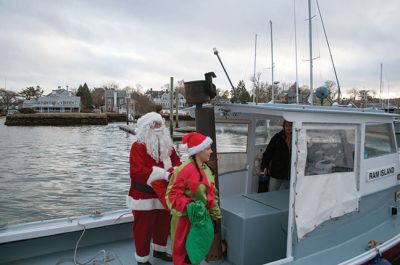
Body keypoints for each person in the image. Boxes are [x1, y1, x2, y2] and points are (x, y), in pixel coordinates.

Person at [127, 112, 181, 265]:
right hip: (144, 195)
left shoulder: (167, 145)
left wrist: (177, 172)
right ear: (146, 128)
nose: (158, 127)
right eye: (154, 124)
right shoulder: (137, 146)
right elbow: (138, 172)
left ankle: (159, 251)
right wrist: (163, 174)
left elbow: (177, 163)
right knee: (143, 229)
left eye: (160, 124)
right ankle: (142, 259)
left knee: (163, 224)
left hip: (164, 193)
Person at [166, 132, 222, 265]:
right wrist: (191, 206)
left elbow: (212, 195)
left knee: (195, 252)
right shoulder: (183, 170)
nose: (211, 151)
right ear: (198, 151)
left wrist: (216, 216)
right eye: (208, 149)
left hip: (201, 220)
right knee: (183, 255)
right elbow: (171, 196)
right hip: (184, 221)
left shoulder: (207, 169)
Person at [261, 120, 292, 191]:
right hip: (276, 172)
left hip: (290, 174)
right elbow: (268, 153)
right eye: (286, 125)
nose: (288, 127)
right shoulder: (277, 138)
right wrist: (264, 166)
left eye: (290, 125)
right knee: (271, 193)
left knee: (288, 196)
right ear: (283, 126)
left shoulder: (297, 138)